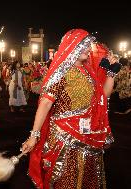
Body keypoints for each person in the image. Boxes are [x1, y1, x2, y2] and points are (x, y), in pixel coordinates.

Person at [21, 29, 120, 189]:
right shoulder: (61, 73)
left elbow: (104, 96)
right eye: (84, 45)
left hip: (89, 136)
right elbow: (45, 104)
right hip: (64, 138)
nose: (88, 49)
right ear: (71, 46)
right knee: (67, 181)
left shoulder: (89, 72)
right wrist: (34, 135)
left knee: (88, 180)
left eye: (89, 45)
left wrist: (111, 74)